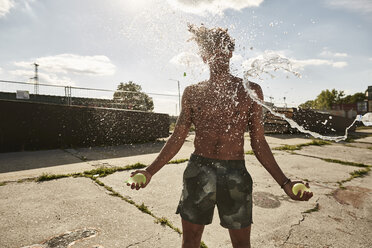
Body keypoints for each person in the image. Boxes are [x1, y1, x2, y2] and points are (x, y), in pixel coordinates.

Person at [127, 24, 313, 248]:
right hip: (198, 170)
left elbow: (259, 142)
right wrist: (149, 171)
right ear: (204, 56)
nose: (218, 54)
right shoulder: (192, 93)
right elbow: (177, 137)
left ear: (231, 52)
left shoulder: (249, 91)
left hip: (235, 172)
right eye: (212, 49)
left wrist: (285, 183)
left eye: (223, 48)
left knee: (242, 244)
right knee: (191, 241)